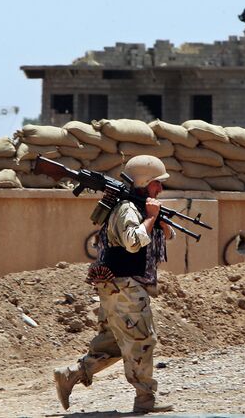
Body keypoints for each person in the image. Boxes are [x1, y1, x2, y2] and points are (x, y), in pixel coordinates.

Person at [54, 155, 175, 414]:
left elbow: (157, 234)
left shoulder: (136, 207)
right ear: (144, 182)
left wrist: (159, 222)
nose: (160, 188)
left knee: (113, 343)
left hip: (118, 287)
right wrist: (152, 218)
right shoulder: (127, 210)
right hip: (125, 288)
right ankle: (145, 399)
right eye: (157, 183)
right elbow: (133, 241)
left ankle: (71, 374)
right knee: (141, 340)